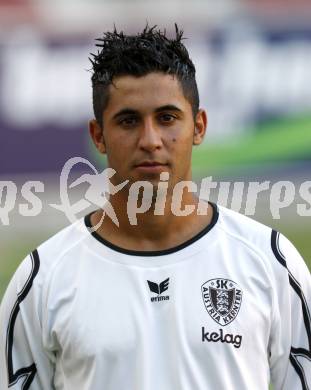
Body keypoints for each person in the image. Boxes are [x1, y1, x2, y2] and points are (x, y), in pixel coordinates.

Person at [0, 24, 310, 390]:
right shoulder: (43, 280)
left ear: (198, 127)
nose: (150, 140)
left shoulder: (270, 262)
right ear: (98, 136)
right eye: (129, 121)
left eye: (166, 118)